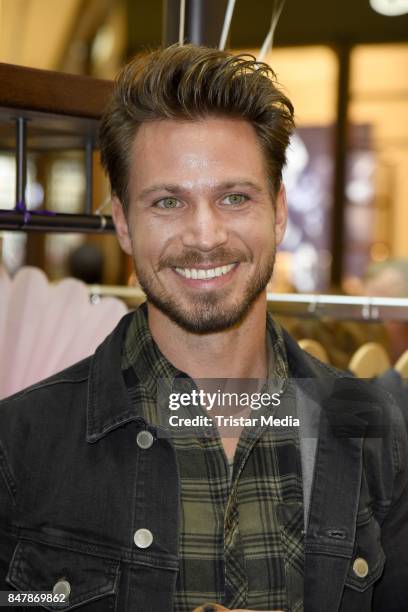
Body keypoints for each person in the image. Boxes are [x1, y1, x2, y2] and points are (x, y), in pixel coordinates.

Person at [0, 45, 407, 612]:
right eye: (168, 201)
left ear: (279, 212)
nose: (205, 235)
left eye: (234, 197)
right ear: (122, 221)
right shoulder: (20, 445)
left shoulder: (375, 432)